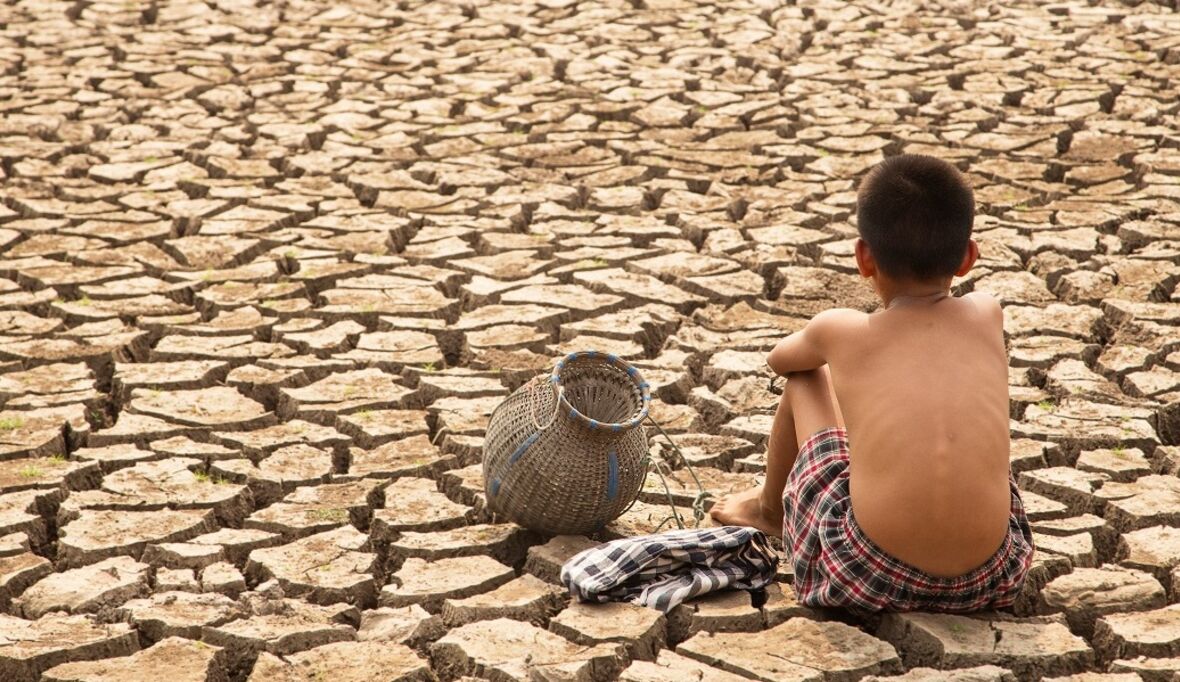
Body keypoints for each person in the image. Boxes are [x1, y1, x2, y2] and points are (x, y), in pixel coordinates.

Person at [709, 154, 1033, 613]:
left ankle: (768, 511)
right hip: (992, 577)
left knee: (806, 377)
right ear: (968, 257)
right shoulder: (988, 313)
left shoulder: (841, 331)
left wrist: (834, 348)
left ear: (864, 257)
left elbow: (781, 360)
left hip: (864, 573)